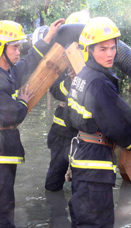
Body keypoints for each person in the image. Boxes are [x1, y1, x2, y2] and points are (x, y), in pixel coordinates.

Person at [0, 18, 65, 228]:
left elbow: (29, 62)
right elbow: (13, 115)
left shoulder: (6, 72)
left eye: (19, 46)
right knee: (1, 210)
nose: (18, 51)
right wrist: (22, 101)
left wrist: (47, 38)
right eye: (14, 47)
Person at [64, 17, 131, 228]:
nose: (110, 54)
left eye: (113, 47)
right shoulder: (98, 83)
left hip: (81, 157)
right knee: (97, 227)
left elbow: (70, 117)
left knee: (82, 221)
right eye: (103, 49)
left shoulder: (83, 76)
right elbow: (120, 127)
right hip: (95, 162)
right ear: (89, 50)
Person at [44, 11, 91, 192]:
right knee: (54, 179)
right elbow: (55, 90)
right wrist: (71, 82)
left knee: (82, 185)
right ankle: (54, 214)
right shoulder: (61, 60)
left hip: (86, 133)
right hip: (62, 132)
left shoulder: (98, 60)